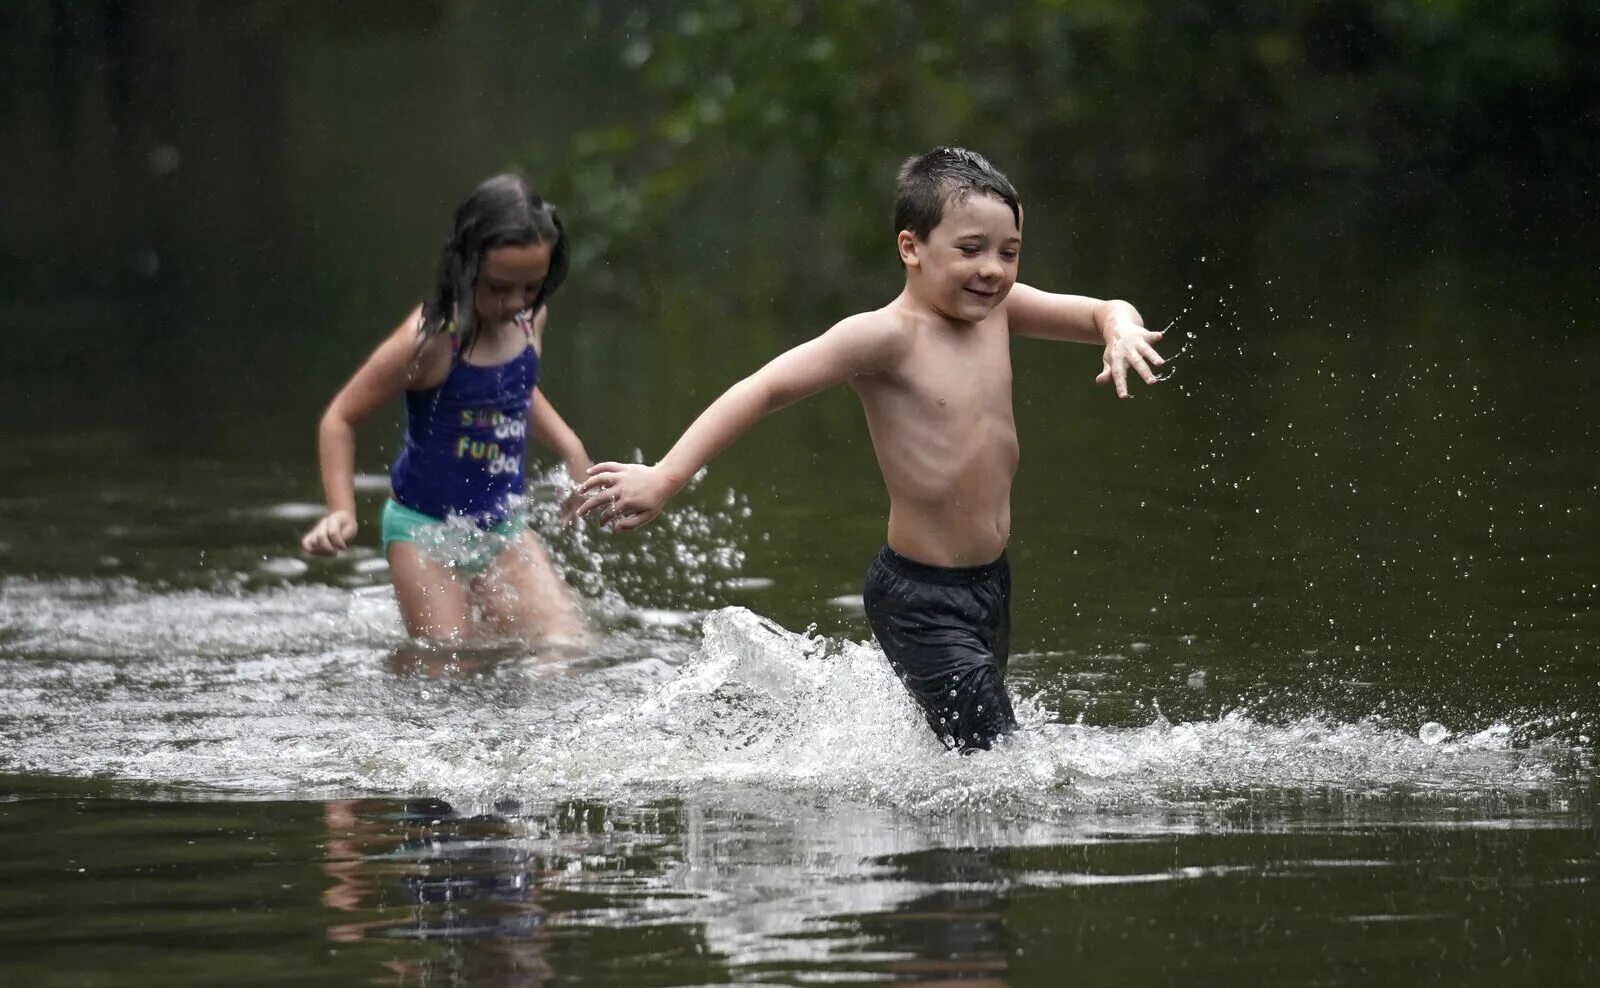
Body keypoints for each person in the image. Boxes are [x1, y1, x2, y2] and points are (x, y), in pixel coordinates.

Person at [579, 147, 1164, 752]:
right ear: (911, 247)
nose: (992, 270)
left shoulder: (1000, 312)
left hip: (990, 585)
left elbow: (1101, 309)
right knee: (999, 757)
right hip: (919, 597)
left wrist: (1119, 329)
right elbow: (765, 387)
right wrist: (667, 476)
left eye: (1008, 253)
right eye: (970, 250)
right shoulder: (885, 336)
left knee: (967, 760)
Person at [301, 173, 589, 652]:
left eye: (532, 287)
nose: (516, 302)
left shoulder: (528, 317)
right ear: (465, 264)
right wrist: (341, 511)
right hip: (425, 532)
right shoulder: (431, 339)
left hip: (501, 527)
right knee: (448, 662)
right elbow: (340, 418)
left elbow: (512, 389)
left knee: (566, 645)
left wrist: (569, 445)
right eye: (499, 287)